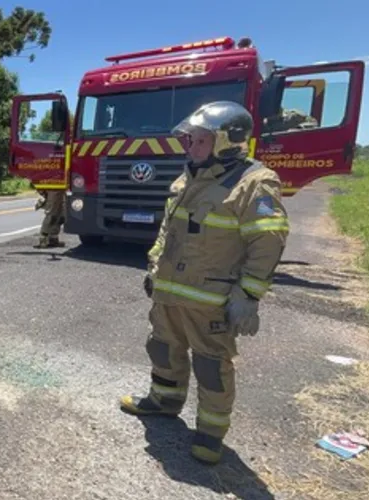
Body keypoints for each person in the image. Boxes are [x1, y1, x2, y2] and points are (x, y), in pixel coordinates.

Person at [120, 101, 290, 465]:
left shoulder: (254, 183)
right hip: (170, 292)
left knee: (212, 367)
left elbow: (268, 240)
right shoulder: (189, 178)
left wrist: (249, 295)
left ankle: (211, 434)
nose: (192, 147)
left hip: (212, 300)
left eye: (201, 140)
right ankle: (163, 401)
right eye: (191, 139)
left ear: (228, 142)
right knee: (162, 348)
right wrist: (154, 266)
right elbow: (168, 229)